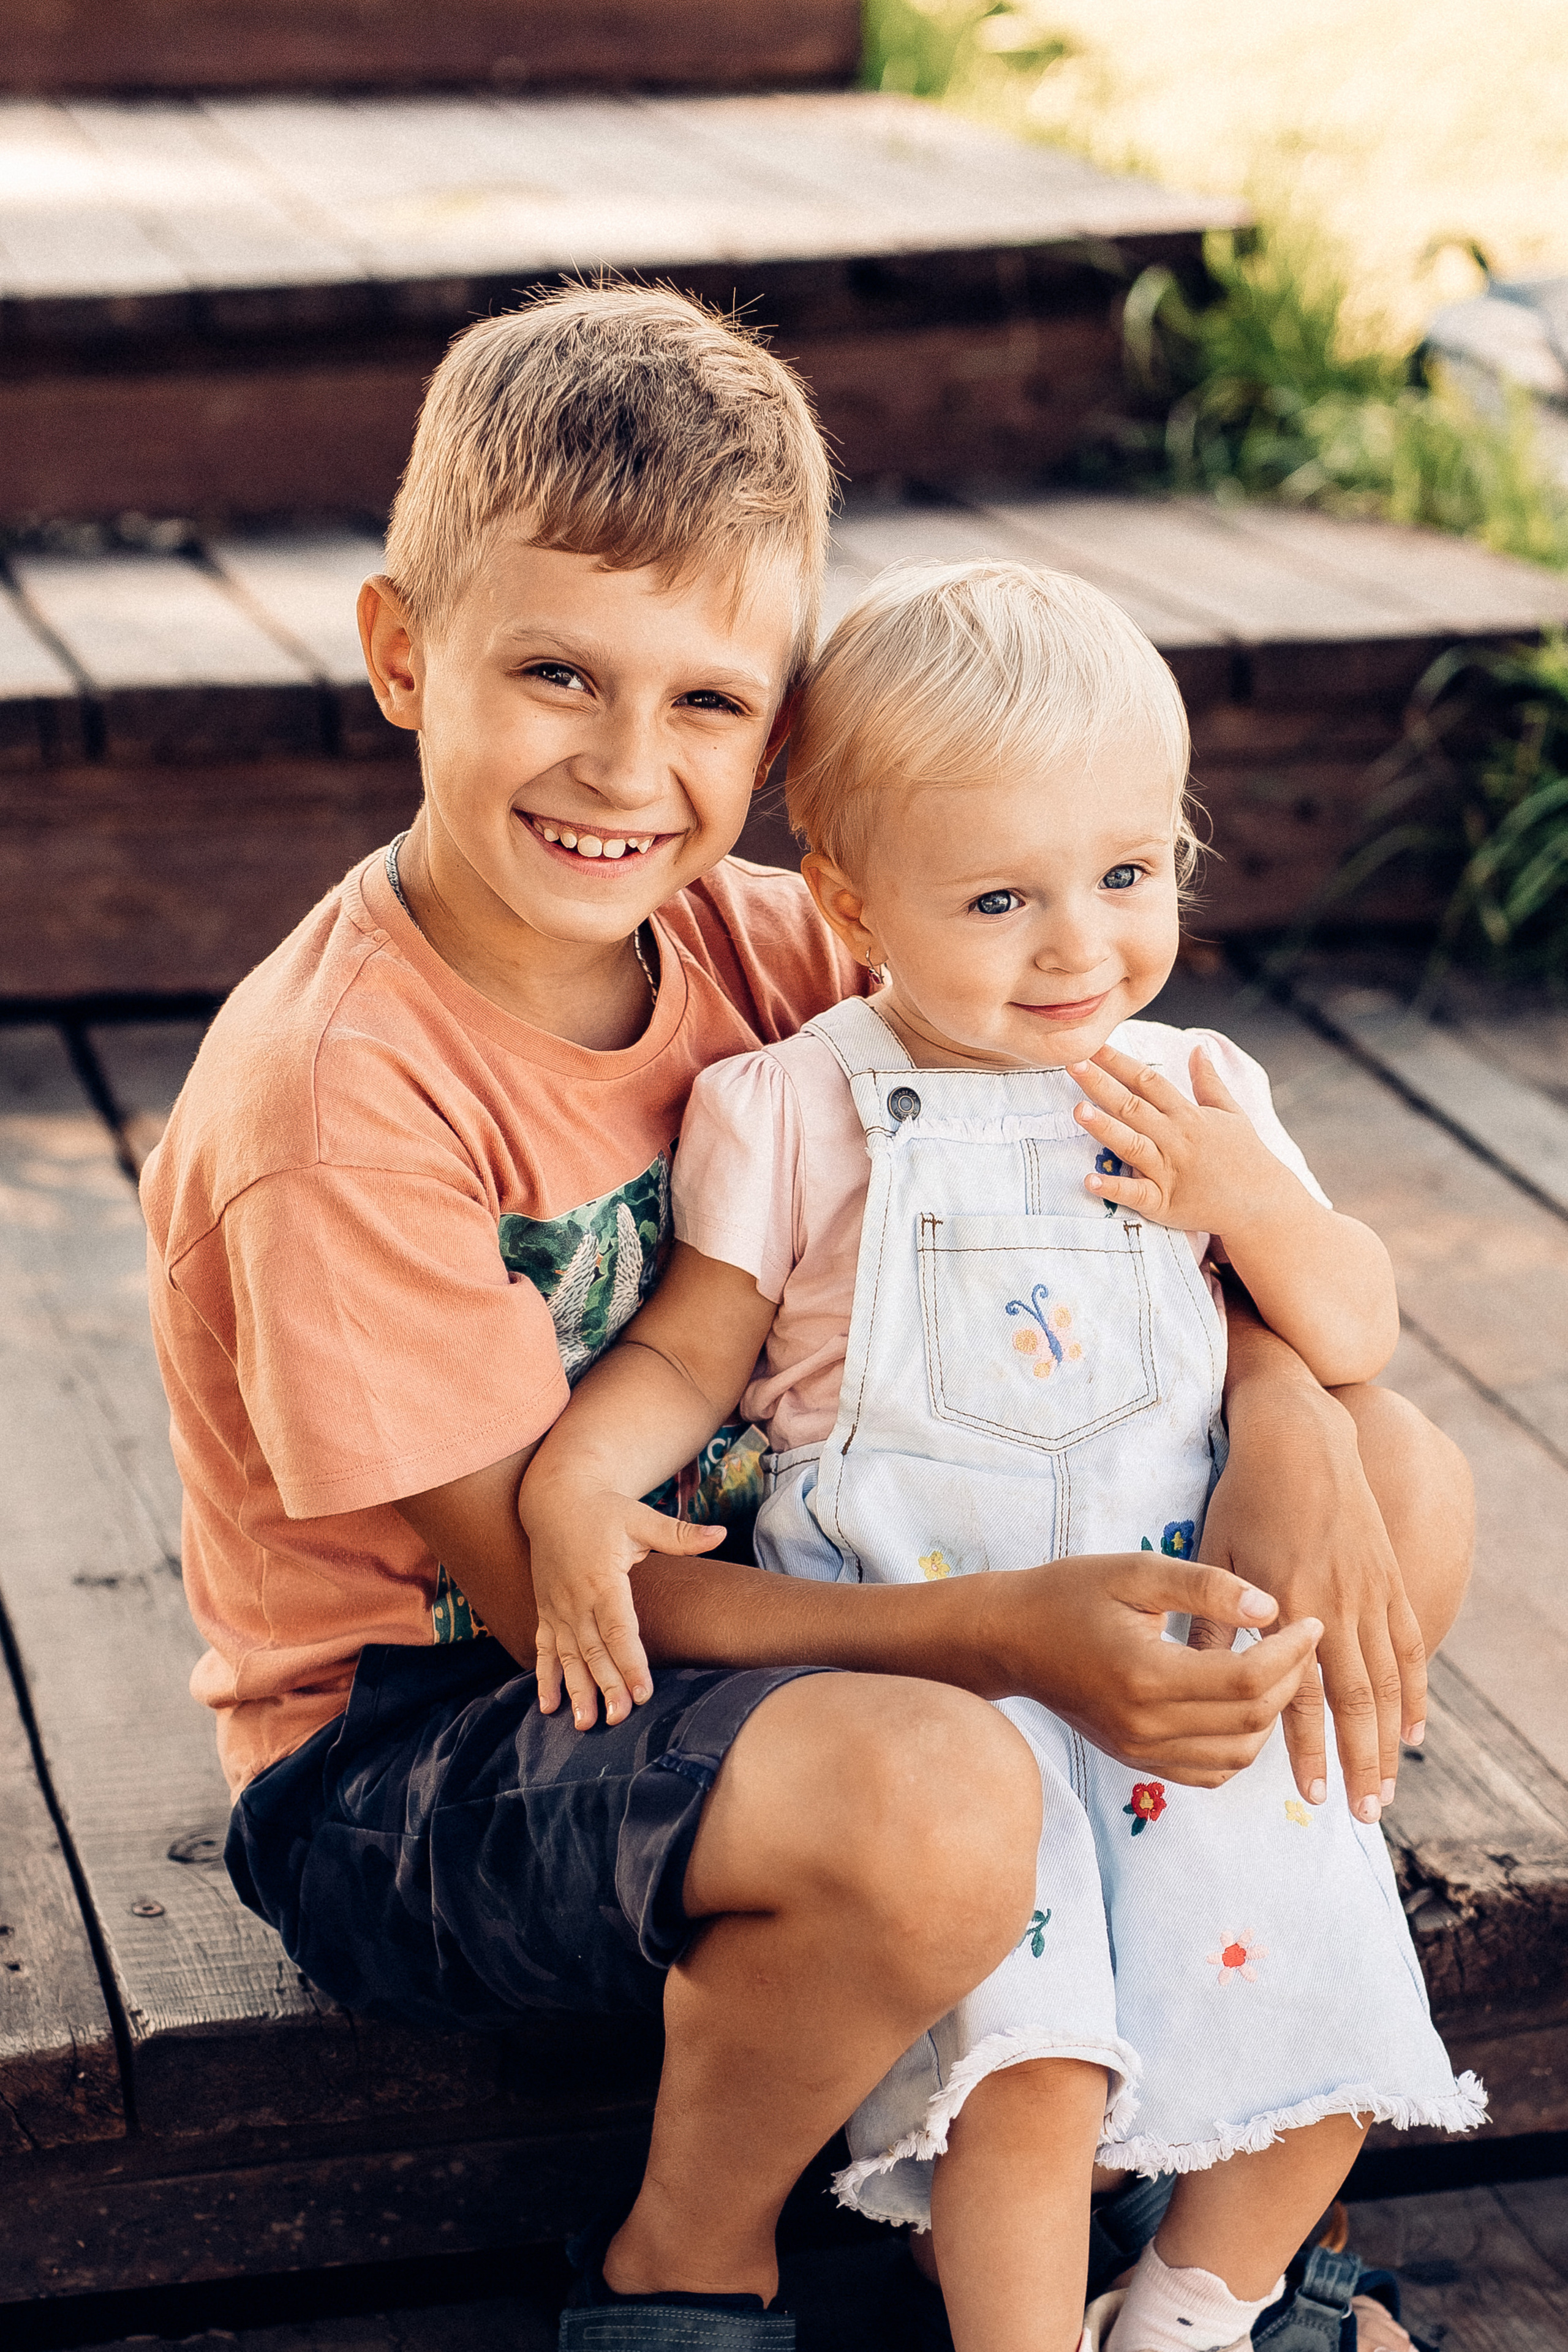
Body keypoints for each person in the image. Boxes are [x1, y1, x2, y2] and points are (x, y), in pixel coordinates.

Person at [138, 285, 1472, 2352]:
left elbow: (1193, 1217)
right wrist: (1015, 1640)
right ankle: (688, 2263)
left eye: (709, 705)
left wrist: (1292, 1429)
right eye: (555, 673)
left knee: (1401, 1477)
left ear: (789, 747)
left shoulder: (786, 946)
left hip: (818, 1598)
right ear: (406, 655)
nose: (625, 768)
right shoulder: (341, 1104)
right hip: (433, 1743)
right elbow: (563, 1604)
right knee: (946, 1792)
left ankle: (1223, 2233)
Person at [516, 559, 1482, 2352]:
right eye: (1000, 898)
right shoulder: (792, 1108)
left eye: (1128, 877)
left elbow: (1350, 1327)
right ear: (856, 900)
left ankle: (1199, 2306)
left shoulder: (1192, 1088)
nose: (1079, 949)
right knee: (1023, 2085)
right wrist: (582, 1472)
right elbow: (686, 1345)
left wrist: (1249, 1203)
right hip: (940, 1686)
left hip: (1179, 1676)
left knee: (1321, 2026)